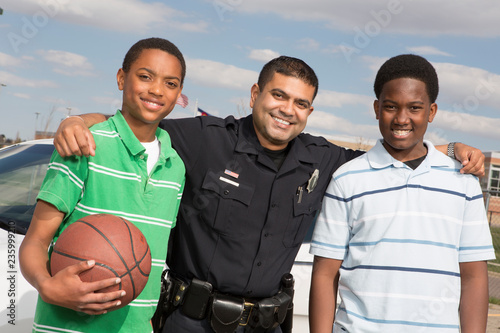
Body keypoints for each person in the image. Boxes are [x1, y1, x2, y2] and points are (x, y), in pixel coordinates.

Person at [53, 55, 485, 333]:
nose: (287, 109)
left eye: (300, 103)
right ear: (256, 94)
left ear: (310, 111)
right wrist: (82, 121)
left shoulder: (323, 158)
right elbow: (141, 121)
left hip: (269, 325)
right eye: (279, 95)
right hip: (191, 322)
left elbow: (395, 143)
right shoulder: (203, 139)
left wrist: (453, 149)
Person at [309, 54, 495, 333]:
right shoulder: (346, 179)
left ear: (431, 112)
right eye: (391, 106)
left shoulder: (463, 182)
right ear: (376, 108)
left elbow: (473, 278)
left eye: (415, 108)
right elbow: (325, 274)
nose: (401, 118)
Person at [19, 37, 186, 332]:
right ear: (122, 78)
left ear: (179, 93)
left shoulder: (176, 167)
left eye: (170, 83)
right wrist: (46, 286)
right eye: (145, 76)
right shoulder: (84, 142)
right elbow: (36, 240)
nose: (157, 90)